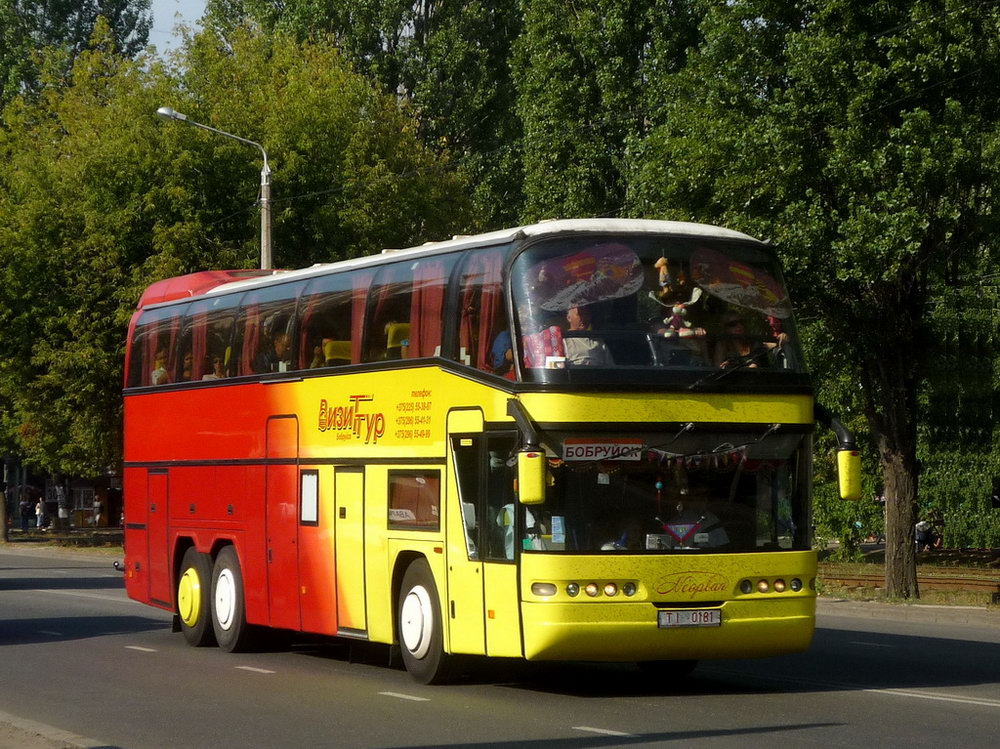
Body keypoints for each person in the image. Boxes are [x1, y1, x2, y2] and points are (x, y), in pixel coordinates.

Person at [713, 313, 786, 368]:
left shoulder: (753, 342)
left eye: (741, 322)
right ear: (726, 328)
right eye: (733, 324)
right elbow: (717, 370)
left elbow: (776, 344)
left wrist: (784, 337)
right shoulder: (722, 345)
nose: (739, 325)